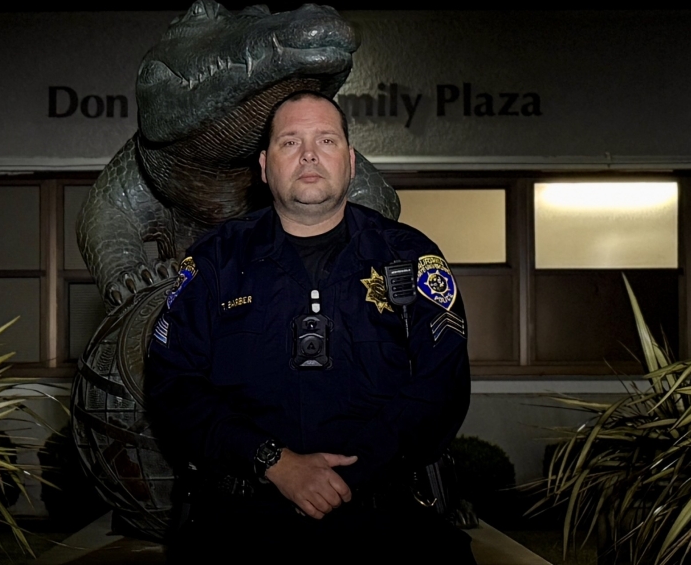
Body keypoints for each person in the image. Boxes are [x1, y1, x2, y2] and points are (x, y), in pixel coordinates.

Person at [144, 91, 476, 564]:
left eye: (326, 140)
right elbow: (172, 385)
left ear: (351, 162)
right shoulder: (216, 261)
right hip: (240, 528)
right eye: (290, 142)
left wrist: (344, 478)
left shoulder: (407, 257)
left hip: (385, 526)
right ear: (264, 167)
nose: (308, 155)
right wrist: (273, 462)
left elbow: (442, 385)